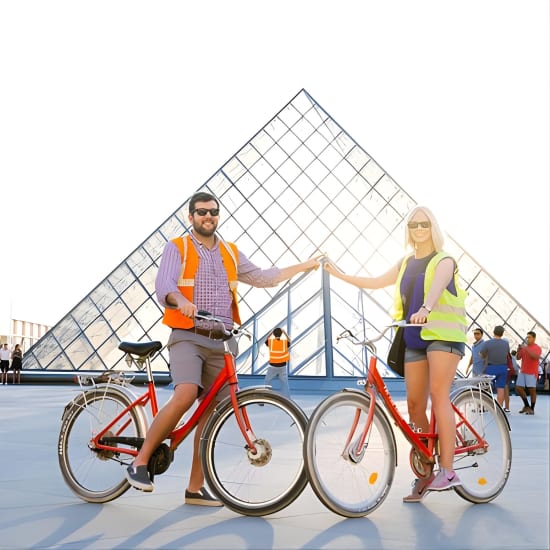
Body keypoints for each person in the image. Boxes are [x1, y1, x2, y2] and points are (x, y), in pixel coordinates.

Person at [125, 191, 321, 505]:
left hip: (222, 341)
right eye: (202, 211)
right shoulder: (178, 247)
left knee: (212, 415)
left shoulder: (230, 252)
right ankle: (139, 462)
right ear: (191, 216)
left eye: (213, 212)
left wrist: (304, 266)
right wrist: (182, 301)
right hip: (188, 336)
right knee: (187, 393)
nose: (208, 216)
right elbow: (164, 286)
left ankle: (195, 488)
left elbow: (261, 277)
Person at [324, 205, 467, 502]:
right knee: (415, 406)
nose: (419, 229)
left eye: (424, 224)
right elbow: (375, 282)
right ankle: (426, 471)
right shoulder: (405, 263)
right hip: (414, 337)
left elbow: (438, 287)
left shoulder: (445, 260)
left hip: (443, 336)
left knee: (438, 395)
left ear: (433, 227)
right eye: (413, 224)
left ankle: (449, 470)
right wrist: (338, 275)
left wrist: (425, 309)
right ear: (408, 229)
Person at [477, 326, 510, 408]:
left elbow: (481, 355)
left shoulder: (487, 343)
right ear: (502, 333)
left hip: (491, 368)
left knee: (486, 388)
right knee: (501, 388)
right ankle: (499, 408)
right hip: (503, 368)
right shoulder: (506, 344)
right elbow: (506, 354)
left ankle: (484, 406)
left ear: (494, 332)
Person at [515, 331, 542, 415]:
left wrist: (526, 348)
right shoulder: (524, 347)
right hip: (523, 371)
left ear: (534, 338)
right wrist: (518, 350)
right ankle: (526, 405)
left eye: (529, 337)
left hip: (532, 372)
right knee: (519, 387)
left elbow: (535, 357)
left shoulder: (537, 347)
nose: (528, 339)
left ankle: (532, 409)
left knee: (532, 390)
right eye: (527, 337)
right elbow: (518, 358)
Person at [264, 327, 291, 399]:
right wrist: (284, 332)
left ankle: (266, 397)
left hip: (273, 365)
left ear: (274, 334)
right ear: (281, 334)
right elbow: (289, 340)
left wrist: (271, 332)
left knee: (267, 381)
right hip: (282, 366)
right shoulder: (284, 342)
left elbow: (266, 339)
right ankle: (288, 399)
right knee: (285, 383)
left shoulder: (271, 342)